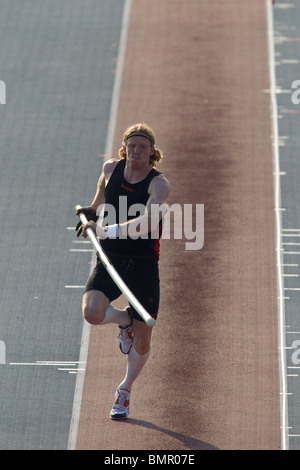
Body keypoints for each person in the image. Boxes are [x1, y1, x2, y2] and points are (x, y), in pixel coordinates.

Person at [75, 123, 170, 420]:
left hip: (142, 265)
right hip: (111, 259)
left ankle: (125, 389)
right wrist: (89, 214)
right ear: (125, 148)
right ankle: (125, 319)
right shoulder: (110, 169)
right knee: (92, 312)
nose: (136, 151)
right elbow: (100, 199)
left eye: (143, 147)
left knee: (142, 342)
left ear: (152, 152)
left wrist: (105, 229)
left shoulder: (159, 184)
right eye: (132, 145)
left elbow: (146, 222)